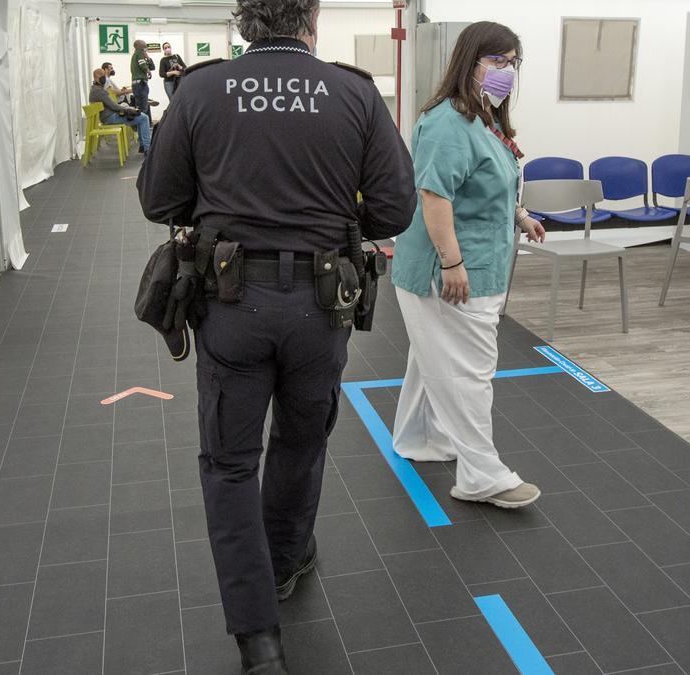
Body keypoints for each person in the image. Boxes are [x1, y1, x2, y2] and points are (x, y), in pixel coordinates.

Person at [136, 0, 415, 671]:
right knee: (301, 438)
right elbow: (394, 208)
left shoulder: (200, 88)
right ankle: (285, 559)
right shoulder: (353, 92)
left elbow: (159, 200)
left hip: (231, 304)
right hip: (323, 305)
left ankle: (258, 639)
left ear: (241, 23)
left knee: (229, 461)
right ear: (311, 20)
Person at [390, 22, 546, 508]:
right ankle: (482, 474)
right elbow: (435, 196)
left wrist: (520, 215)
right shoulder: (447, 122)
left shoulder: (484, 119)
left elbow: (487, 181)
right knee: (469, 372)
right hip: (451, 270)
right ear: (469, 62)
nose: (507, 72)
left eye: (513, 63)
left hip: (473, 261)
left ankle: (417, 439)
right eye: (497, 61)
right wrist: (453, 262)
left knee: (431, 359)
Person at [89, 68, 151, 153]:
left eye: (103, 75)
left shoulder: (95, 89)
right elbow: (114, 106)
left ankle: (143, 146)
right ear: (95, 78)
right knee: (144, 118)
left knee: (141, 116)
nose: (103, 78)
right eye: (100, 76)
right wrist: (128, 110)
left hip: (107, 116)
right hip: (109, 118)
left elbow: (112, 105)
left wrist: (127, 109)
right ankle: (147, 148)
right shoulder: (99, 91)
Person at [130, 39, 156, 122]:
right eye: (144, 45)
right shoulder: (138, 53)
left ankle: (141, 126)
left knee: (141, 106)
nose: (146, 46)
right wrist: (148, 71)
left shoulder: (140, 55)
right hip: (140, 83)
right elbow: (143, 66)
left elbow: (152, 67)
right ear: (139, 46)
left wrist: (148, 58)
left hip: (139, 84)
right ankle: (141, 127)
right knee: (142, 107)